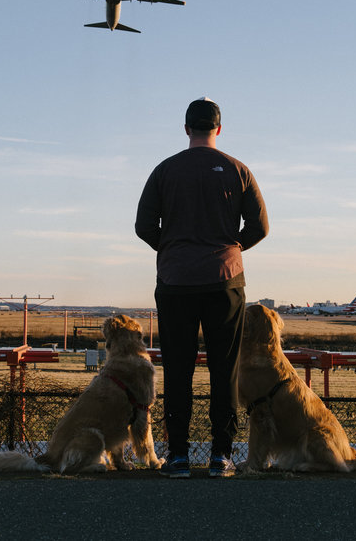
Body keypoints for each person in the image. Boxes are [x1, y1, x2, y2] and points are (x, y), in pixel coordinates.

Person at [135, 97, 269, 478]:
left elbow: (144, 226)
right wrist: (231, 246)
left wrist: (172, 248)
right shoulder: (237, 169)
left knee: (178, 369)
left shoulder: (165, 170)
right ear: (219, 129)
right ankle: (220, 457)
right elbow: (260, 227)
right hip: (224, 280)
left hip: (176, 281)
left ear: (186, 128)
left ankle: (177, 457)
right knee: (223, 370)